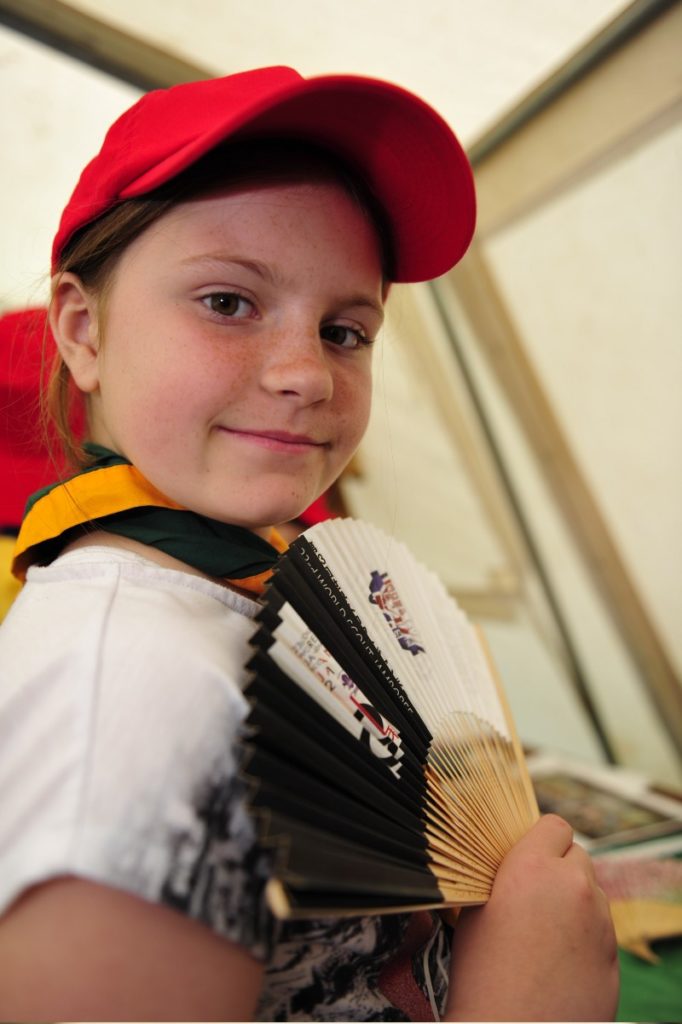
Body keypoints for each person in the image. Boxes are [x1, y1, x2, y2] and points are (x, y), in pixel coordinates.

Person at [0, 65, 618, 1021]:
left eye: (344, 330)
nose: (307, 375)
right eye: (228, 302)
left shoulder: (248, 594)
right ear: (83, 330)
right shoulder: (131, 683)